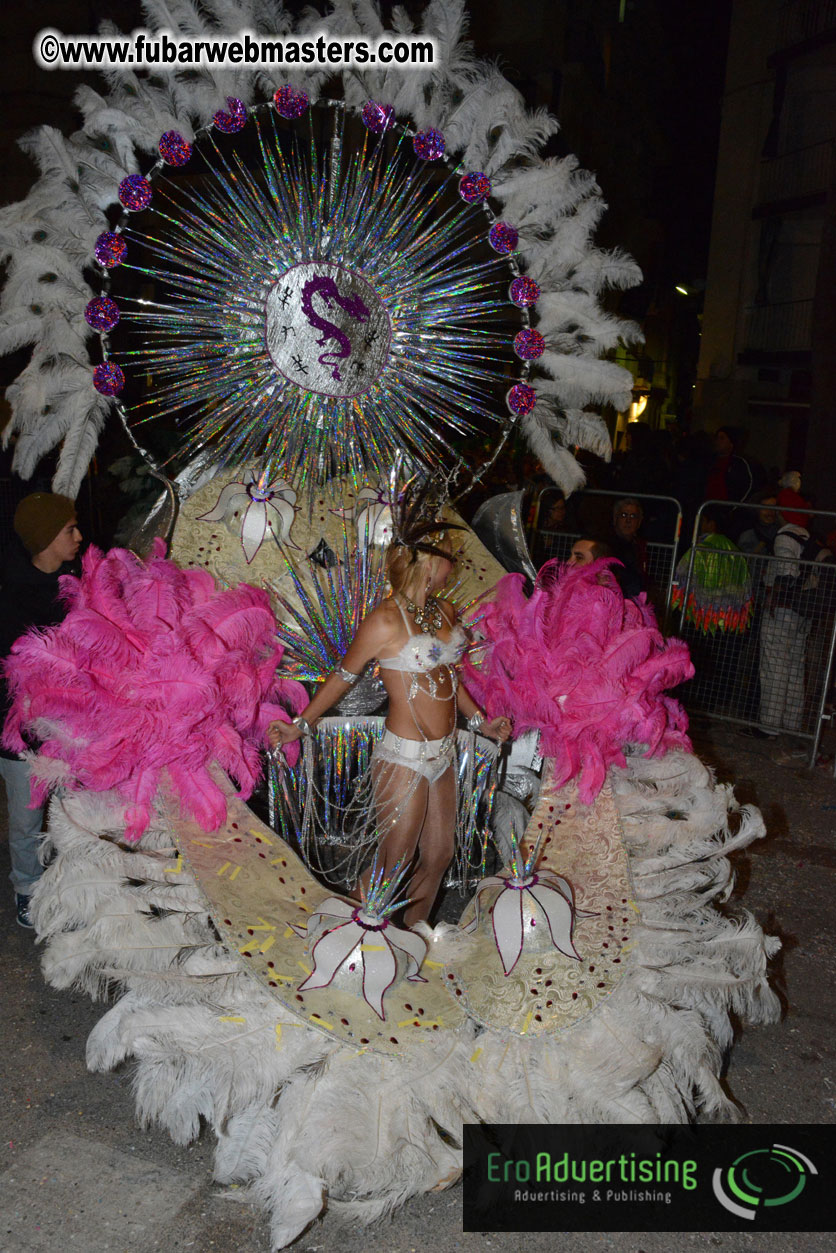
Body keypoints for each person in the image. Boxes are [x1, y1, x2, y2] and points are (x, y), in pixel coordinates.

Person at [267, 508, 511, 926]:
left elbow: (449, 677)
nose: (455, 565)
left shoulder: (444, 613)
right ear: (429, 561)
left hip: (444, 754)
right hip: (403, 758)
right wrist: (299, 725)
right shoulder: (384, 619)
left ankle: (414, 938)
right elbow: (343, 676)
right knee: (394, 860)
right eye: (450, 555)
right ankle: (349, 940)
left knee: (438, 855)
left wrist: (480, 722)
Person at [0, 493, 82, 927]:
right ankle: (27, 889)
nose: (79, 536)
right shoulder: (11, 598)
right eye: (70, 529)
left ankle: (76, 888)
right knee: (27, 821)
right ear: (48, 537)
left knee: (75, 816)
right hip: (22, 736)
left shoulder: (78, 584)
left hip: (75, 731)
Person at [608, 498, 649, 599]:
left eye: (633, 516)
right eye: (623, 515)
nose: (628, 520)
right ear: (615, 519)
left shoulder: (639, 545)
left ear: (639, 522)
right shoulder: (607, 544)